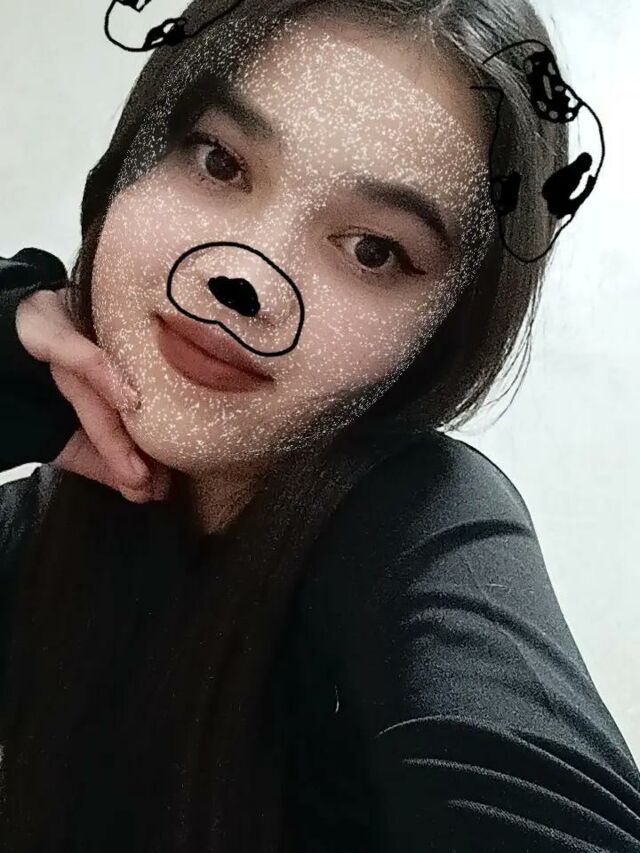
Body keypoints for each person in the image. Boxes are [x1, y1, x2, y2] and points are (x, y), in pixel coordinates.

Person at [1, 1, 639, 851]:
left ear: (438, 338)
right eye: (220, 161)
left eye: (372, 250)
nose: (244, 278)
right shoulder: (28, 531)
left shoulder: (422, 530)